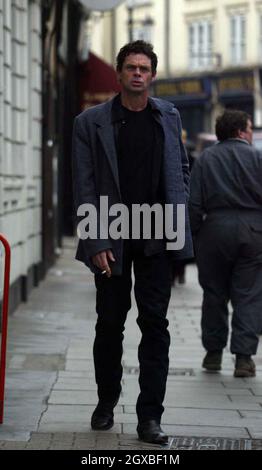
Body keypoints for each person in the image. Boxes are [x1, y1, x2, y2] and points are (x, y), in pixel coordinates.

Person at [72, 40, 193, 444]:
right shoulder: (91, 123)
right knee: (109, 325)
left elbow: (181, 168)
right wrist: (95, 240)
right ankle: (107, 401)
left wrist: (178, 216)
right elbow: (84, 186)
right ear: (120, 74)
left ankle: (149, 418)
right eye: (130, 67)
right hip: (112, 239)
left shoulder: (168, 115)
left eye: (144, 68)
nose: (138, 73)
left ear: (153, 75)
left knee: (155, 326)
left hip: (157, 237)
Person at [189, 109, 262, 378]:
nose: (252, 133)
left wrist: (195, 234)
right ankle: (243, 358)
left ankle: (213, 353)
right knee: (249, 295)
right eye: (250, 128)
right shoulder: (257, 158)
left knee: (214, 294)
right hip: (253, 231)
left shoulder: (206, 158)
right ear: (241, 131)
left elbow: (194, 203)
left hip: (215, 231)